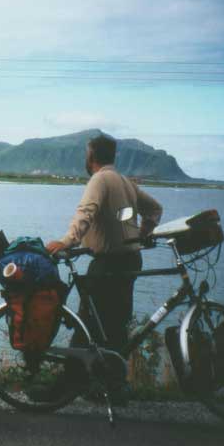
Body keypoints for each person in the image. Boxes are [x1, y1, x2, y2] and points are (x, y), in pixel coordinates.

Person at [46, 134, 162, 353]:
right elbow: (155, 209)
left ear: (91, 156)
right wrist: (145, 231)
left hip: (108, 263)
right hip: (132, 260)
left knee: (88, 326)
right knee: (116, 326)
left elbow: (85, 213)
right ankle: (112, 378)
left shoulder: (99, 179)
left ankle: (70, 383)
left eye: (86, 154)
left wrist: (66, 242)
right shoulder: (125, 181)